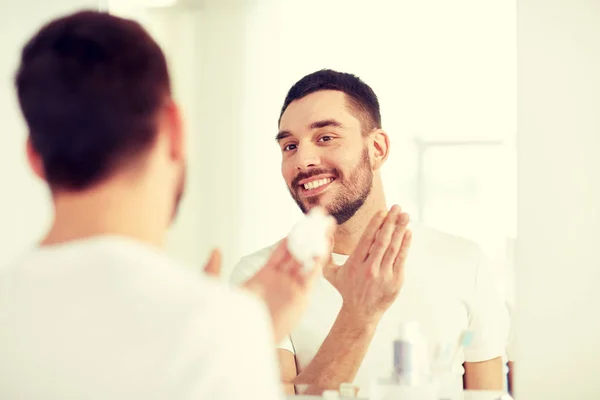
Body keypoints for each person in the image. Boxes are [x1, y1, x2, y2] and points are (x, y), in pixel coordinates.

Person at [0, 10, 331, 400]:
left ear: (34, 157)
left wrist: (230, 337)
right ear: (175, 130)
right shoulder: (214, 328)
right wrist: (231, 339)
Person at [230, 69, 511, 396]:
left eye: (325, 137)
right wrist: (358, 314)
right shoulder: (259, 278)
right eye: (290, 146)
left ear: (376, 148)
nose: (303, 159)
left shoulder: (465, 262)